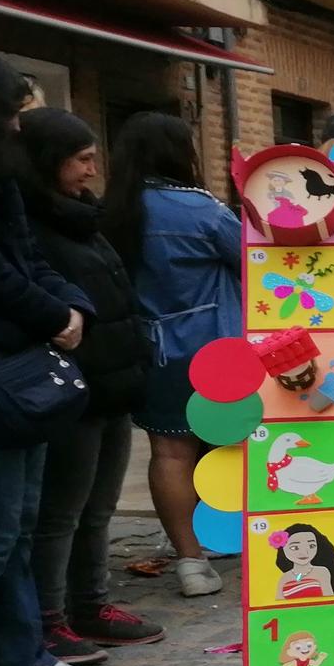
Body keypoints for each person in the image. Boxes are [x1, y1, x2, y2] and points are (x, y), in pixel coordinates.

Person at [17, 107, 163, 661]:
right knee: (61, 513)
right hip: (69, 392)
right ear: (48, 162)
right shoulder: (31, 224)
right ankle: (49, 617)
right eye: (81, 159)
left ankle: (90, 603)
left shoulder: (81, 216)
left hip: (111, 386)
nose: (92, 170)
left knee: (98, 508)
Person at [0, 52, 100, 666]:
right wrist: (52, 310)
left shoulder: (2, 178)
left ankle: (20, 655)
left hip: (21, 371)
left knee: (20, 523)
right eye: (13, 111)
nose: (19, 125)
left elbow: (26, 259)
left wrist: (72, 306)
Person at [103, 112, 242, 598]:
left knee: (169, 451)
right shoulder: (199, 209)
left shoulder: (114, 210)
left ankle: (189, 560)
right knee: (237, 445)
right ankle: (242, 542)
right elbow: (252, 261)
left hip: (151, 351)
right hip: (218, 348)